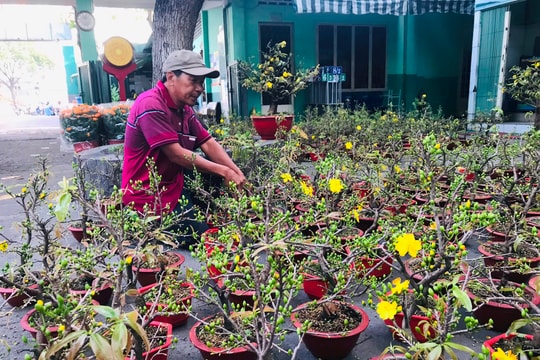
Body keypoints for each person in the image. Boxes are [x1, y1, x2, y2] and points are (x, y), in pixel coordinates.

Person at [121, 49, 246, 247]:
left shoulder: (185, 110)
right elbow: (177, 155)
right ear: (171, 77)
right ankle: (145, 232)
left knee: (217, 224)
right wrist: (224, 171)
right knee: (204, 239)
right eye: (193, 81)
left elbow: (208, 143)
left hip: (174, 189)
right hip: (147, 198)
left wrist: (238, 174)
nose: (199, 88)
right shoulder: (150, 104)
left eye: (201, 82)